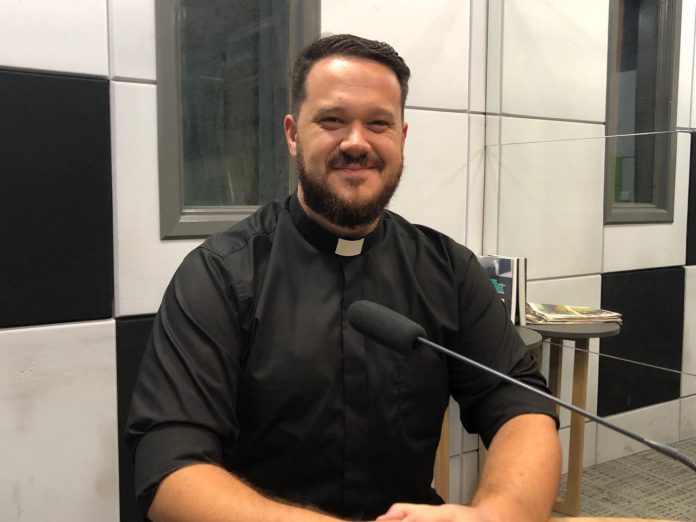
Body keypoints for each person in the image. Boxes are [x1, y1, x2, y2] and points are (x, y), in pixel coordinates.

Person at [126, 34, 561, 522]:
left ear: (401, 136)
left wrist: (495, 515)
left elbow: (521, 404)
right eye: (332, 121)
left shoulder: (449, 270)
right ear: (293, 134)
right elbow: (169, 469)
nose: (357, 143)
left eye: (378, 123)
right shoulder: (221, 274)